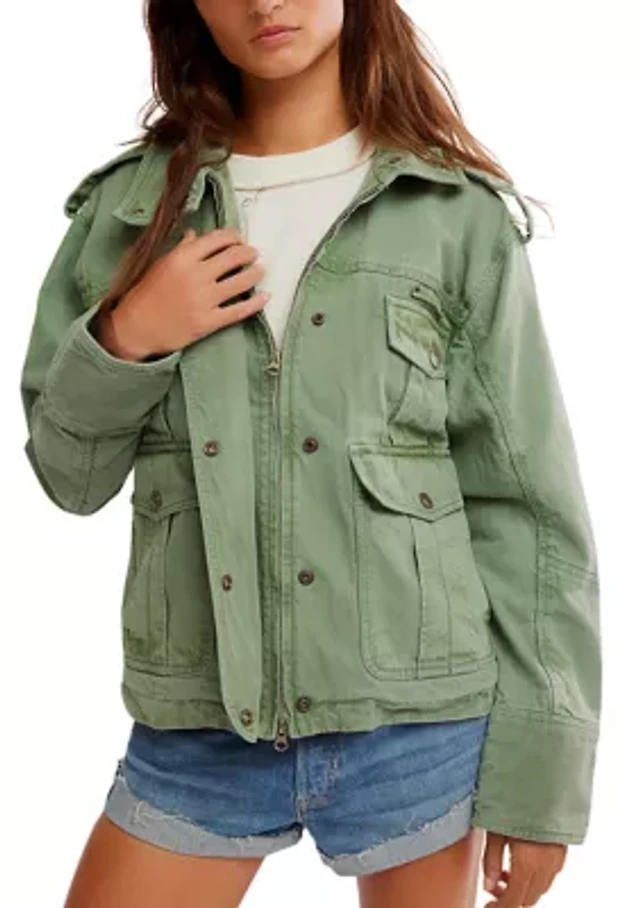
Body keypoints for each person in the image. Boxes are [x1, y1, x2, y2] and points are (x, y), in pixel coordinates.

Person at [19, 2, 601, 907]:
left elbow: (528, 510)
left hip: (419, 728)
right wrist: (128, 335)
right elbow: (69, 476)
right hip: (200, 732)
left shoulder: (452, 216)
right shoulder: (129, 215)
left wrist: (543, 782)